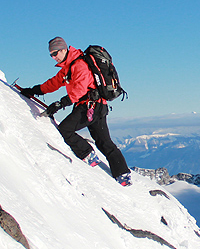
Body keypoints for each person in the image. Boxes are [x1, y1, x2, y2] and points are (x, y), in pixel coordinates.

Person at [20, 37, 132, 186]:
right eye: (51, 55)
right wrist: (34, 91)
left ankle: (88, 155)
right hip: (97, 106)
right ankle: (123, 174)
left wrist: (60, 103)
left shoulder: (79, 64)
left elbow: (80, 90)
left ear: (63, 49)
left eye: (55, 53)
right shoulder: (68, 67)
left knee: (66, 129)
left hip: (89, 106)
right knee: (104, 142)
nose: (53, 57)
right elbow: (52, 84)